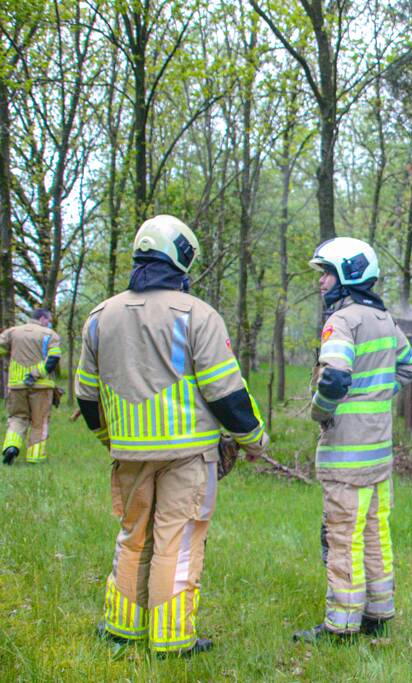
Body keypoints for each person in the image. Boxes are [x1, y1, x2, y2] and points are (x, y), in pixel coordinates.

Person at [75, 215, 268, 657]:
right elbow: (227, 394)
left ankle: (121, 628)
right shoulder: (197, 315)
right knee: (177, 543)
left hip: (128, 454)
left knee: (132, 537)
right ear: (182, 258)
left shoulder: (99, 317)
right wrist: (253, 439)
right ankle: (172, 639)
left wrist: (111, 437)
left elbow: (86, 396)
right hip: (187, 455)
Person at [295, 237, 412, 643]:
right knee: (375, 533)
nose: (321, 282)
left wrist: (320, 411)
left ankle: (341, 626)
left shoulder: (343, 321)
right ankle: (378, 614)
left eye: (326, 273)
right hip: (379, 456)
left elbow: (333, 377)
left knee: (343, 537)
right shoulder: (385, 320)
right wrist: (378, 398)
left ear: (348, 274)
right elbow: (408, 367)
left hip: (346, 458)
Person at [1, 308, 62, 464]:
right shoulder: (50, 335)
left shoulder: (12, 332)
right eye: (48, 320)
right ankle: (35, 458)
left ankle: (11, 447)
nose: (49, 323)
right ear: (42, 318)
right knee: (39, 421)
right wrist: (37, 373)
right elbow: (54, 357)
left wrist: (8, 359)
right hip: (41, 386)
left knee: (17, 417)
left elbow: (1, 348)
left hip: (16, 385)